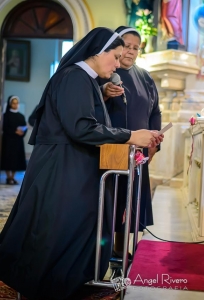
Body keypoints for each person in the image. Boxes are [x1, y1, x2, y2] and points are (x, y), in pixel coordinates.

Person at [0, 27, 163, 300]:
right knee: (58, 227)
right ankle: (49, 284)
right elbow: (81, 127)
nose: (115, 65)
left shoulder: (85, 79)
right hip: (62, 167)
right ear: (97, 52)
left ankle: (68, 282)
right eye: (115, 57)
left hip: (73, 164)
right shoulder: (74, 77)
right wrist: (131, 135)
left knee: (73, 226)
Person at [98, 26, 161, 258]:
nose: (131, 52)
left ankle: (121, 246)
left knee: (131, 200)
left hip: (138, 151)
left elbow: (155, 111)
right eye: (126, 45)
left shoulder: (145, 77)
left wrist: (154, 141)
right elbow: (91, 104)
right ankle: (104, 249)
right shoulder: (104, 72)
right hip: (110, 150)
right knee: (111, 199)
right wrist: (104, 91)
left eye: (136, 48)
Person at [0, 95, 27, 185]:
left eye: (17, 103)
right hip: (8, 140)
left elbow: (24, 127)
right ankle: (9, 177)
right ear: (10, 104)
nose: (15, 105)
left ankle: (12, 177)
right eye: (13, 103)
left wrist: (22, 132)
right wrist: (15, 131)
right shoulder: (5, 115)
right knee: (8, 158)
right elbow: (4, 127)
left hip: (18, 141)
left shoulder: (21, 116)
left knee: (16, 159)